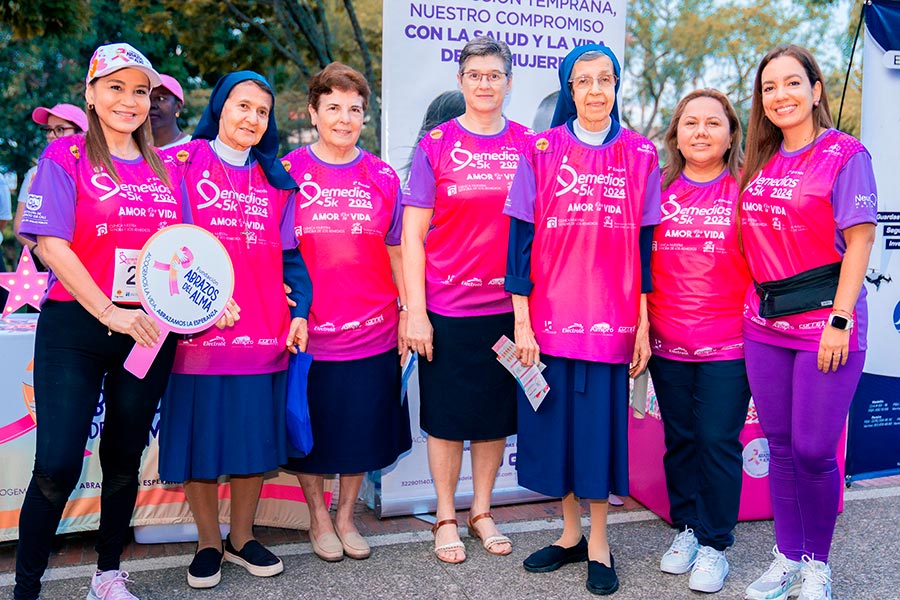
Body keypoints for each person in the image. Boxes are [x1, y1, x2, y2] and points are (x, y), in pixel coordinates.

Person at [15, 43, 183, 600]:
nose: (129, 101)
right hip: (75, 328)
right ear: (89, 94)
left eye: (140, 91)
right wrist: (109, 310)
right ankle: (26, 588)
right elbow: (51, 245)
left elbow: (183, 251)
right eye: (115, 87)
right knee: (57, 464)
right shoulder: (64, 156)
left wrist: (208, 302)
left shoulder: (166, 168)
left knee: (123, 458)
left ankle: (107, 575)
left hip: (149, 333)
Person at [504, 44, 660, 595]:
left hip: (611, 322)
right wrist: (522, 322)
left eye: (605, 80)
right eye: (584, 81)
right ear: (569, 90)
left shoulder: (641, 154)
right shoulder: (540, 149)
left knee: (597, 437)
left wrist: (642, 321)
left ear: (617, 86)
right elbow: (519, 244)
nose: (595, 91)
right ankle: (569, 535)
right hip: (547, 322)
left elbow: (646, 248)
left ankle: (599, 541)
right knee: (557, 435)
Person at [157, 71, 311, 590]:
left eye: (261, 112)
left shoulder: (277, 180)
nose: (251, 118)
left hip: (262, 331)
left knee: (252, 444)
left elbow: (291, 257)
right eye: (242, 106)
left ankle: (242, 536)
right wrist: (198, 301)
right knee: (203, 446)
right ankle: (207, 542)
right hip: (195, 335)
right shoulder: (182, 164)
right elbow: (166, 245)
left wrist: (300, 310)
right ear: (220, 108)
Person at [740, 45, 877, 600]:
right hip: (764, 323)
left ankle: (817, 564)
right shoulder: (761, 159)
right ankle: (786, 557)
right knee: (781, 444)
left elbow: (861, 240)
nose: (781, 96)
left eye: (792, 84)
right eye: (769, 88)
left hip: (826, 323)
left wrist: (841, 319)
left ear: (816, 89)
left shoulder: (845, 154)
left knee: (816, 449)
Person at [402, 36, 533, 564]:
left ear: (507, 82)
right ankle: (445, 515)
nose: (485, 84)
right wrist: (415, 310)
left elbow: (535, 233)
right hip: (446, 309)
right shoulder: (436, 144)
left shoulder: (530, 144)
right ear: (461, 81)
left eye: (494, 75)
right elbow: (412, 234)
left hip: (506, 310)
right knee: (446, 418)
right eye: (475, 75)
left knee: (493, 417)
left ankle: (481, 511)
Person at [281, 62, 412, 562]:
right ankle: (317, 517)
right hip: (307, 332)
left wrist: (407, 311)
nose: (344, 118)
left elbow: (399, 250)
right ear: (313, 113)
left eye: (354, 109)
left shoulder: (381, 175)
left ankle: (345, 515)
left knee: (359, 431)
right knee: (310, 434)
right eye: (333, 107)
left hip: (373, 329)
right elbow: (273, 251)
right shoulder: (288, 173)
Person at [646, 89, 751, 594]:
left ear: (732, 134)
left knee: (716, 443)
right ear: (676, 134)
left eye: (714, 123)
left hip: (729, 346)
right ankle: (686, 528)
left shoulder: (746, 191)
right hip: (667, 344)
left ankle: (714, 543)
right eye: (691, 123)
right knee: (680, 442)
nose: (702, 131)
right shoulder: (656, 189)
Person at [14, 103, 89, 267]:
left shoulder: (96, 172)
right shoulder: (36, 172)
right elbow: (20, 224)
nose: (51, 135)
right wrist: (40, 251)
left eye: (60, 129)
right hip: (45, 266)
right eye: (48, 129)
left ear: (82, 133)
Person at [150, 74, 191, 149]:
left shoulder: (194, 149)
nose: (152, 105)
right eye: (148, 98)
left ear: (178, 107)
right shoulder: (132, 150)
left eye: (161, 98)